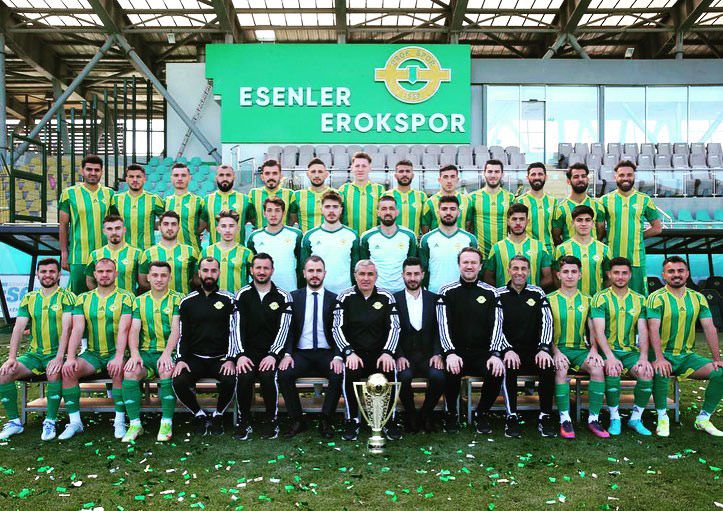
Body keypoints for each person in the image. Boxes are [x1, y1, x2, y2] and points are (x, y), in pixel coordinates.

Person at [0, 259, 76, 440]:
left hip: (58, 354)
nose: (47, 275)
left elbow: (67, 328)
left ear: (59, 274)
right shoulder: (29, 298)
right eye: (43, 271)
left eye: (52, 271)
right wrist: (12, 357)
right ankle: (14, 422)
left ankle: (50, 421)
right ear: (37, 274)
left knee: (53, 373)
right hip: (34, 355)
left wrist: (59, 358)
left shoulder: (67, 296)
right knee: (4, 373)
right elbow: (18, 328)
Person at [58, 258, 133, 440]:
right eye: (100, 271)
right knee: (68, 371)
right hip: (93, 353)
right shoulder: (83, 298)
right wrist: (70, 357)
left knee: (118, 370)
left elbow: (125, 329)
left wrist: (119, 357)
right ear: (94, 274)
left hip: (117, 352)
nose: (104, 275)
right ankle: (75, 422)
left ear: (116, 274)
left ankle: (119, 420)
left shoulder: (126, 297)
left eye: (109, 271)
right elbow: (77, 329)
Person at [647, 256, 722, 437]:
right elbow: (652, 329)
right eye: (671, 271)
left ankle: (703, 419)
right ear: (663, 275)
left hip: (686, 356)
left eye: (680, 271)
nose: (676, 274)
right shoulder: (656, 298)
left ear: (687, 274)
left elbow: (709, 327)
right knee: (661, 370)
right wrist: (659, 358)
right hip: (661, 354)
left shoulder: (698, 298)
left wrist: (716, 358)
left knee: (720, 373)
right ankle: (663, 417)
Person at [436, 247, 508, 434]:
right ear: (459, 265)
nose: (469, 266)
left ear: (480, 266)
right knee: (451, 370)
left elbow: (497, 325)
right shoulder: (447, 291)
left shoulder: (491, 293)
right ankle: (452, 413)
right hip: (456, 351)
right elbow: (443, 325)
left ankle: (481, 413)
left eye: (473, 263)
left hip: (482, 353)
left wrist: (495, 354)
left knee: (496, 371)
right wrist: (449, 353)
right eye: (465, 262)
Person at [487, 255, 557, 438]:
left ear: (529, 271)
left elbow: (547, 322)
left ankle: (545, 416)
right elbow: (495, 326)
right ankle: (511, 416)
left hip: (534, 350)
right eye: (515, 268)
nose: (519, 272)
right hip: (509, 350)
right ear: (509, 271)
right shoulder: (498, 294)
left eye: (523, 269)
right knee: (508, 366)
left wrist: (544, 349)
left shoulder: (537, 293)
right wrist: (507, 349)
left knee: (547, 365)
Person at [332, 260, 401, 442]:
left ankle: (389, 420)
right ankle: (352, 420)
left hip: (380, 354)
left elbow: (395, 328)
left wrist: (388, 352)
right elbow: (337, 328)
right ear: (355, 276)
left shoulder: (387, 297)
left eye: (370, 274)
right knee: (350, 371)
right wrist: (348, 352)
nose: (366, 278)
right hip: (356, 354)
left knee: (390, 369)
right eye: (362, 274)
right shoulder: (344, 297)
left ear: (376, 276)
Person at [228, 253, 293, 440]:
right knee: (244, 375)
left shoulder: (283, 296)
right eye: (258, 268)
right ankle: (244, 421)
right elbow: (235, 327)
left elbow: (284, 329)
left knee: (267, 375)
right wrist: (240, 355)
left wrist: (273, 355)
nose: (262, 271)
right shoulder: (242, 295)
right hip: (247, 353)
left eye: (266, 268)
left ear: (272, 270)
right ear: (251, 270)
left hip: (271, 352)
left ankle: (271, 420)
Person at [277, 256, 343, 438]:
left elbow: (340, 330)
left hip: (326, 353)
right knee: (284, 373)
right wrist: (287, 354)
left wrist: (338, 356)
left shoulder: (335, 299)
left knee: (338, 374)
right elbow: (288, 329)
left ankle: (326, 420)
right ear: (304, 273)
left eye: (318, 271)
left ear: (324, 273)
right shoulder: (293, 297)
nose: (315, 275)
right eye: (311, 271)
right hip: (301, 354)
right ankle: (297, 420)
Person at [172, 257, 237, 436]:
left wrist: (231, 359)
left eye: (213, 271)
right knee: (178, 380)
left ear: (219, 273)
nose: (209, 275)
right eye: (206, 271)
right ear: (199, 273)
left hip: (221, 358)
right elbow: (183, 334)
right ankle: (198, 414)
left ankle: (218, 415)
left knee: (230, 379)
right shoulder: (187, 301)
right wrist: (180, 359)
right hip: (195, 358)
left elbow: (235, 332)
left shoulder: (229, 299)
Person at [591, 257, 654, 436]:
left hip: (629, 352)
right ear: (609, 274)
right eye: (616, 273)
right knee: (612, 370)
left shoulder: (640, 299)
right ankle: (614, 417)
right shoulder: (600, 298)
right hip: (607, 351)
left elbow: (643, 331)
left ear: (630, 275)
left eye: (624, 273)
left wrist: (643, 357)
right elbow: (598, 331)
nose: (620, 277)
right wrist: (610, 357)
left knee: (646, 372)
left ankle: (636, 418)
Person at [549, 256, 609, 439]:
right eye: (565, 272)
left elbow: (593, 329)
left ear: (580, 275)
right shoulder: (549, 299)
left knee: (597, 367)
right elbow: (545, 331)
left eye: (574, 272)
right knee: (561, 368)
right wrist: (555, 352)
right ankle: (565, 419)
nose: (570, 275)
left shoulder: (588, 300)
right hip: (557, 349)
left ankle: (593, 418)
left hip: (580, 350)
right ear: (558, 275)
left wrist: (594, 350)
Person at [121, 261, 181, 443]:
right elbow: (134, 330)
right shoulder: (139, 301)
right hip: (145, 354)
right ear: (148, 277)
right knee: (130, 372)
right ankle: (135, 424)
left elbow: (176, 330)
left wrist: (167, 353)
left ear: (170, 277)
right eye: (155, 275)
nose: (159, 279)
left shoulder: (178, 299)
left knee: (166, 370)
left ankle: (166, 422)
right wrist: (134, 354)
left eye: (163, 275)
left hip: (169, 352)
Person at [394, 257, 445, 433]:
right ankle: (411, 415)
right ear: (403, 275)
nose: (412, 278)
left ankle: (426, 413)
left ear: (423, 275)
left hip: (428, 356)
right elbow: (391, 331)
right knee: (403, 377)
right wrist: (399, 355)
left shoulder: (434, 299)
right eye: (409, 274)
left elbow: (440, 329)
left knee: (439, 377)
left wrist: (438, 353)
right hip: (405, 356)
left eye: (416, 274)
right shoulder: (394, 299)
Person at [600, 160, 663, 295]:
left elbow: (657, 228)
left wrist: (638, 235)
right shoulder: (604, 200)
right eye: (621, 175)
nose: (625, 178)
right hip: (611, 258)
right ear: (615, 177)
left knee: (638, 298)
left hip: (636, 259)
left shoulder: (644, 199)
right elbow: (598, 229)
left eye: (629, 175)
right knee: (610, 297)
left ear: (634, 176)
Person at [59, 154, 115, 294]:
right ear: (82, 171)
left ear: (101, 172)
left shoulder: (110, 194)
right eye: (89, 169)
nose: (93, 173)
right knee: (77, 297)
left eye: (97, 170)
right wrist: (64, 252)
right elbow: (63, 226)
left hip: (103, 256)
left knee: (103, 296)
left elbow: (115, 224)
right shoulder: (69, 194)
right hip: (78, 256)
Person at [301, 190, 359, 294]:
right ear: (321, 209)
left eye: (335, 207)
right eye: (327, 207)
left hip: (345, 293)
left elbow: (355, 268)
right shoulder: (310, 236)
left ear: (341, 210)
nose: (331, 211)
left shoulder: (352, 236)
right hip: (319, 294)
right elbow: (303, 268)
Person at [484, 203, 552, 288]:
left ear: (527, 221)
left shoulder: (540, 247)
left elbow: (548, 278)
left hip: (531, 296)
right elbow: (488, 278)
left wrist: (532, 291)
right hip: (504, 296)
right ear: (508, 222)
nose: (518, 223)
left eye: (522, 219)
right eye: (514, 219)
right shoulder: (497, 248)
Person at [419, 195, 477, 294]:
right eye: (444, 209)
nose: (448, 212)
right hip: (434, 293)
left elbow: (473, 270)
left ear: (458, 213)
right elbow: (423, 269)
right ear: (438, 212)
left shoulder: (470, 239)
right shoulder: (427, 239)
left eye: (453, 209)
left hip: (462, 294)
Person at [360, 196, 417, 293]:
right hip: (377, 291)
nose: (388, 212)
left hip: (402, 290)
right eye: (384, 209)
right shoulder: (367, 237)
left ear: (397, 212)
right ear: (378, 212)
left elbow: (412, 266)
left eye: (391, 208)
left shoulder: (409, 236)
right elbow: (364, 266)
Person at [247, 197, 303, 292]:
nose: (273, 214)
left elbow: (301, 265)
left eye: (277, 210)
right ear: (264, 213)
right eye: (269, 210)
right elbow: (250, 267)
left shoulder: (296, 234)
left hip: (290, 291)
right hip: (263, 293)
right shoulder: (255, 237)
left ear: (283, 213)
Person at [554, 205, 610, 297]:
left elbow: (609, 277)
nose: (583, 224)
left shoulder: (604, 249)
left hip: (595, 301)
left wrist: (600, 296)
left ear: (593, 223)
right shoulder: (562, 248)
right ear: (573, 223)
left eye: (587, 220)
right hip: (571, 301)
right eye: (579, 220)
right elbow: (556, 276)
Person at [139, 211, 198, 295]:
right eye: (166, 224)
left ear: (178, 228)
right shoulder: (148, 253)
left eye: (173, 224)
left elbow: (195, 280)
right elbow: (143, 282)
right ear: (159, 228)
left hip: (183, 301)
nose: (170, 228)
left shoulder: (190, 252)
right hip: (158, 302)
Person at [111, 163, 165, 251]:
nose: (135, 180)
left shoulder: (154, 199)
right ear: (126, 179)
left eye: (138, 177)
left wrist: (151, 224)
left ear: (144, 179)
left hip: (147, 251)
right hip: (124, 251)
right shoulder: (116, 200)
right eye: (131, 177)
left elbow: (167, 221)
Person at [468, 159, 516, 256]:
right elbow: (468, 226)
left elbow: (514, 226)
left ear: (502, 174)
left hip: (503, 253)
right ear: (484, 173)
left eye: (497, 172)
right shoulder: (472, 198)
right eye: (490, 171)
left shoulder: (510, 197)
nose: (493, 175)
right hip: (479, 254)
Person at [86, 214, 143, 293]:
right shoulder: (95, 255)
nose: (114, 232)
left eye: (118, 228)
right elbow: (90, 282)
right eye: (109, 229)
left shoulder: (137, 253)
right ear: (104, 231)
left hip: (129, 300)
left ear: (124, 230)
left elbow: (143, 283)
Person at [552, 163, 605, 245]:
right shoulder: (561, 208)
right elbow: (556, 236)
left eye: (583, 176)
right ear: (568, 181)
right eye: (576, 177)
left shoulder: (598, 206)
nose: (580, 179)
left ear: (588, 179)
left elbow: (600, 234)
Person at [203, 210, 254, 294]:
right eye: (223, 226)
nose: (227, 230)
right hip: (213, 300)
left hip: (238, 300)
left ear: (238, 228)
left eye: (231, 226)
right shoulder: (207, 252)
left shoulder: (247, 253)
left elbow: (256, 279)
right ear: (218, 229)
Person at [205, 164, 253, 245]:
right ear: (216, 178)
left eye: (228, 175)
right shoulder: (206, 200)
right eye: (221, 175)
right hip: (214, 251)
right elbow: (203, 225)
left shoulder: (245, 199)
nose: (225, 178)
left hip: (239, 251)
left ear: (234, 177)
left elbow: (252, 221)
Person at [339, 152, 385, 235]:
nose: (360, 169)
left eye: (364, 166)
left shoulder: (379, 189)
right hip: (349, 237)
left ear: (369, 168)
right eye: (357, 166)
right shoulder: (343, 189)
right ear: (352, 168)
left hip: (373, 237)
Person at [164, 162, 207, 253]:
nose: (179, 178)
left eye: (183, 175)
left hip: (193, 253)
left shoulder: (199, 201)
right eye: (176, 175)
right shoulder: (165, 202)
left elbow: (204, 225)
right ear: (171, 178)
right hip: (170, 253)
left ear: (189, 178)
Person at [516, 162, 557, 255]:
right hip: (526, 250)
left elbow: (556, 231)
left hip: (548, 251)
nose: (537, 177)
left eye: (540, 174)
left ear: (546, 177)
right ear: (527, 178)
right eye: (533, 174)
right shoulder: (519, 201)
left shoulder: (553, 201)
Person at [421, 164, 472, 233]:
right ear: (439, 180)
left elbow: (468, 227)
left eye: (452, 177)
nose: (449, 181)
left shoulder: (467, 201)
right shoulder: (430, 202)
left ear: (457, 180)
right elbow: (425, 230)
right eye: (445, 177)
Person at [290, 158, 334, 232]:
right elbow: (293, 219)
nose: (316, 175)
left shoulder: (336, 194)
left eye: (320, 172)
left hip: (330, 238)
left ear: (326, 175)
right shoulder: (297, 195)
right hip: (306, 239)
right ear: (308, 174)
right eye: (313, 172)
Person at [386, 159, 428, 236]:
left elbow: (424, 223)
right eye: (401, 171)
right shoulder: (386, 195)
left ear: (413, 175)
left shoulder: (421, 196)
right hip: (391, 241)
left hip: (413, 241)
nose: (404, 174)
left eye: (408, 171)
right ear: (395, 175)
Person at [248, 159, 295, 228]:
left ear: (280, 176)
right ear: (262, 177)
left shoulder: (290, 194)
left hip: (283, 234)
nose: (271, 177)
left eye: (275, 173)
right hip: (260, 234)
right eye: (267, 173)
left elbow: (293, 218)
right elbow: (251, 217)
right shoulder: (253, 193)